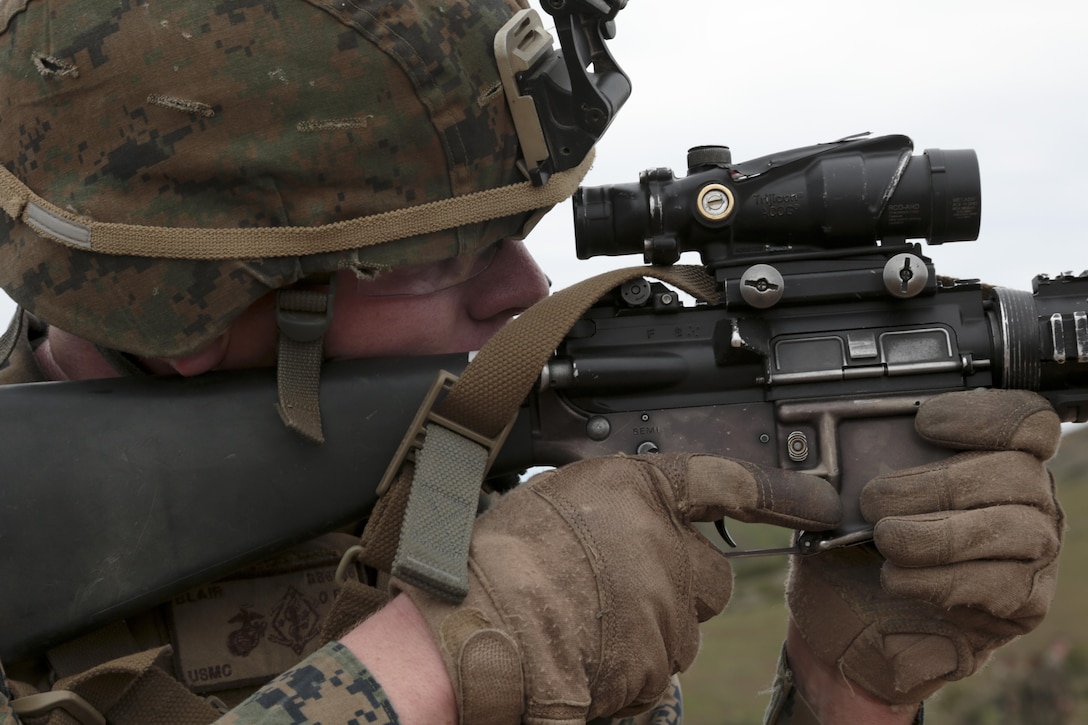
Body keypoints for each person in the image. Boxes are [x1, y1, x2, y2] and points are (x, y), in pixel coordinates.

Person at [0, 1, 1064, 724]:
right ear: (189, 312)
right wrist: (436, 666)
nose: (519, 290)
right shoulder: (512, 578)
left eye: (521, 231)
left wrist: (847, 689)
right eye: (436, 261)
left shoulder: (461, 500)